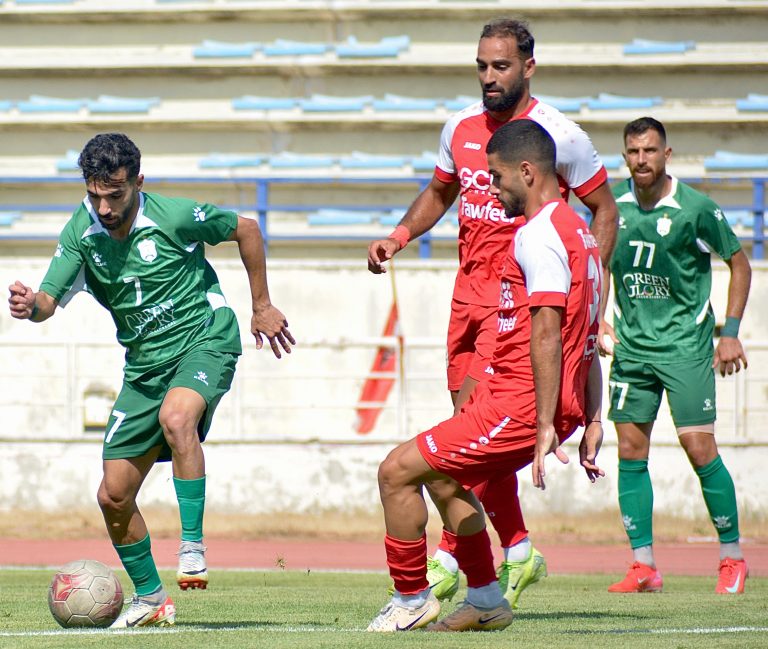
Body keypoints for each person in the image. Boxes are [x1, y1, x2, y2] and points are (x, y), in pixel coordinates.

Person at [366, 17, 617, 608]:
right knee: (473, 434)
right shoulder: (459, 127)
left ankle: (456, 560)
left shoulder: (560, 137)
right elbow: (440, 192)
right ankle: (513, 553)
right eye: (481, 66)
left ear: (529, 67)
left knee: (465, 437)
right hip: (467, 298)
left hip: (520, 303)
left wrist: (592, 303)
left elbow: (604, 211)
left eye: (500, 66)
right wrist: (398, 236)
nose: (488, 77)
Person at [7, 133, 295, 627]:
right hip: (144, 368)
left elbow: (247, 229)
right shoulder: (81, 232)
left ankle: (192, 545)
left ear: (138, 182)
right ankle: (150, 598)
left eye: (114, 194)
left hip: (204, 339)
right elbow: (47, 303)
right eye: (94, 194)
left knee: (177, 418)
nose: (104, 207)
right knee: (112, 495)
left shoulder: (174, 216)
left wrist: (262, 305)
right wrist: (29, 304)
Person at [600, 117, 751, 594]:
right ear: (624, 157)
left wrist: (730, 333)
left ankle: (732, 557)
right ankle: (643, 565)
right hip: (632, 350)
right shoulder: (610, 206)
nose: (641, 159)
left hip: (686, 348)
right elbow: (598, 265)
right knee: (630, 451)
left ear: (667, 155)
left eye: (649, 150)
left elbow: (739, 263)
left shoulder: (696, 209)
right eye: (633, 151)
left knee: (699, 448)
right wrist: (598, 320)